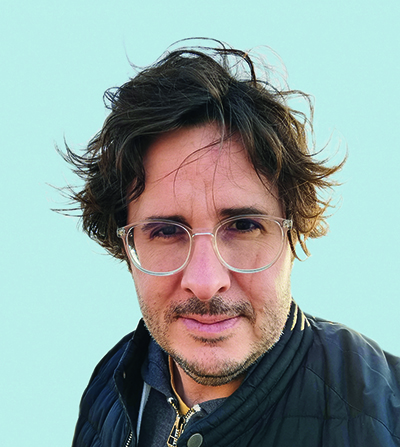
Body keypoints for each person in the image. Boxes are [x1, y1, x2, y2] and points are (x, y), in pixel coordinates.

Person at [64, 40, 400, 447]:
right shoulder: (110, 388)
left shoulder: (385, 416)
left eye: (242, 226)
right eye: (166, 232)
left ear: (293, 233)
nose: (206, 282)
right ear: (127, 244)